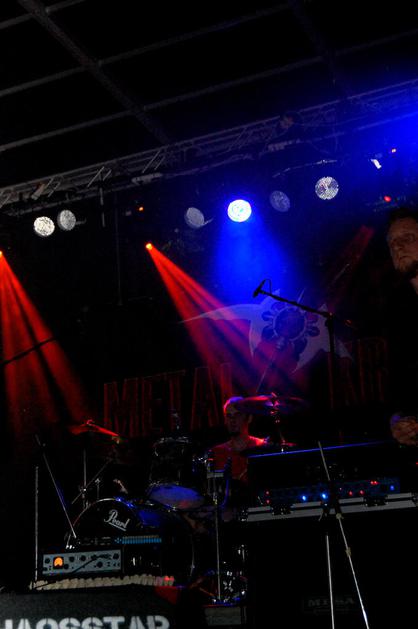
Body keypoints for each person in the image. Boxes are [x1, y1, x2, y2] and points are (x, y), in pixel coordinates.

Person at [385, 207, 418, 445]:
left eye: (407, 238)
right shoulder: (398, 313)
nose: (397, 247)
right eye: (392, 243)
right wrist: (398, 421)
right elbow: (400, 386)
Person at [211, 396, 266, 512]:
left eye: (237, 415)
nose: (232, 420)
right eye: (229, 416)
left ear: (249, 418)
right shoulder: (217, 452)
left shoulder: (261, 447)